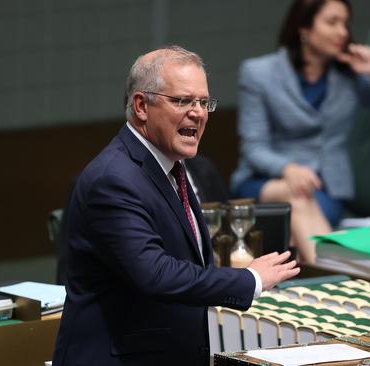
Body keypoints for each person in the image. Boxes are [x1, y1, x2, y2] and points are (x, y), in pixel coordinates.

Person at [52, 46, 300, 366]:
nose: (198, 113)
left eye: (203, 102)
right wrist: (248, 280)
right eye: (182, 101)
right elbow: (154, 273)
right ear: (142, 105)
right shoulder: (113, 178)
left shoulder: (173, 165)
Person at [230, 0, 370, 264]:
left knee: (298, 208)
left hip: (327, 189)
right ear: (304, 27)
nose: (342, 32)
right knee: (295, 195)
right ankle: (333, 278)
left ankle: (318, 276)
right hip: (265, 182)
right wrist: (288, 169)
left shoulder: (350, 77)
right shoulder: (259, 73)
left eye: (345, 24)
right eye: (332, 22)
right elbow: (254, 148)